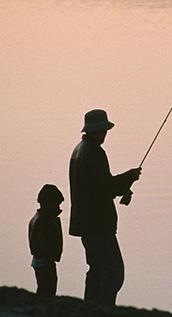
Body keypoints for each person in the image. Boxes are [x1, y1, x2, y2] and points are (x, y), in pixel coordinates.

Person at [69, 109, 141, 307]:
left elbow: (97, 186)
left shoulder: (79, 149)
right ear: (99, 130)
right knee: (114, 270)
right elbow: (103, 188)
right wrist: (129, 177)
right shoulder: (94, 152)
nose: (106, 134)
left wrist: (123, 187)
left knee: (96, 269)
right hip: (98, 223)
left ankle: (89, 307)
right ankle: (104, 308)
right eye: (105, 129)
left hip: (85, 223)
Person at [28, 184, 65, 298]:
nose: (59, 208)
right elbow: (47, 240)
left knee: (43, 288)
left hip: (38, 261)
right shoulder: (47, 220)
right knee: (48, 290)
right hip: (45, 261)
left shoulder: (37, 218)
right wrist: (50, 255)